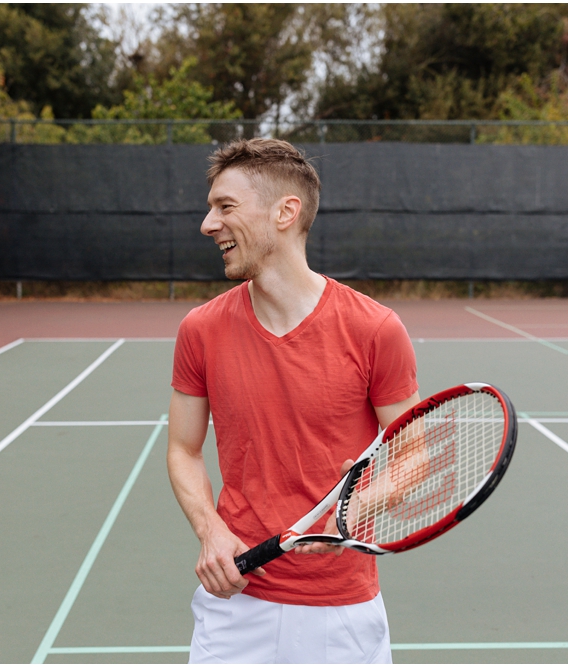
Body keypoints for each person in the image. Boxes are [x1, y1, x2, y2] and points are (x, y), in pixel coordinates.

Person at [167, 138, 420, 664]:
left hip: (342, 611)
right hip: (236, 605)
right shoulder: (200, 330)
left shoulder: (375, 330)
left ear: (286, 212)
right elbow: (183, 450)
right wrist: (211, 531)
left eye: (225, 207)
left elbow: (413, 456)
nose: (207, 224)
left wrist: (352, 510)